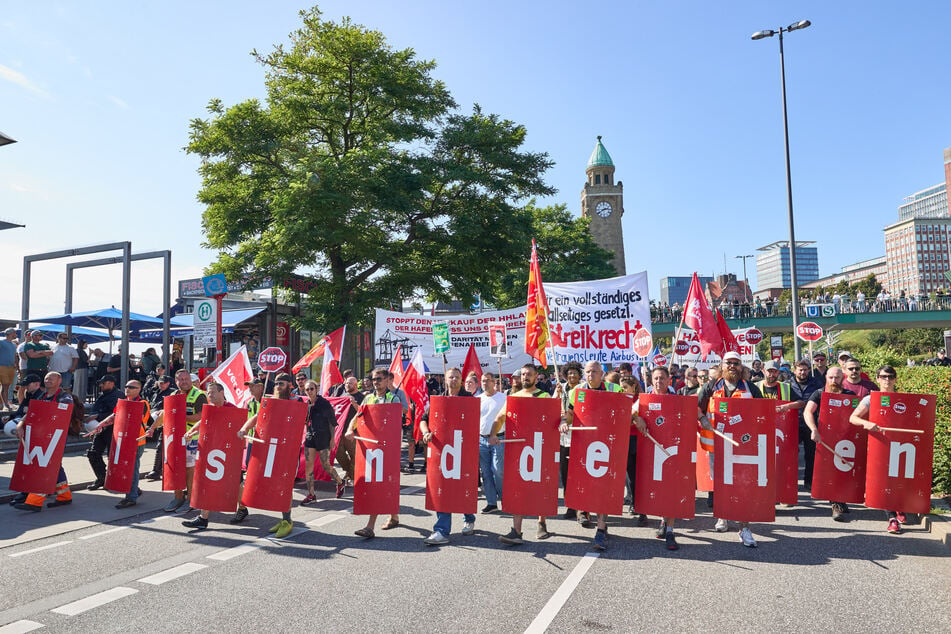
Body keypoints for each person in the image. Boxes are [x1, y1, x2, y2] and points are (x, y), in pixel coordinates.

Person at [696, 351, 763, 547]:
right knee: (720, 483)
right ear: (722, 365)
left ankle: (744, 527)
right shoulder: (710, 386)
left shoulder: (751, 388)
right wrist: (702, 419)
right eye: (729, 363)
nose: (732, 366)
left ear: (741, 367)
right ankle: (722, 516)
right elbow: (697, 407)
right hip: (717, 443)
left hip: (743, 445)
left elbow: (762, 412)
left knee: (743, 486)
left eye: (736, 363)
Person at [561, 360, 622, 551]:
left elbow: (625, 410)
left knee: (603, 484)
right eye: (587, 372)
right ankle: (585, 513)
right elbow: (570, 414)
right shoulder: (576, 391)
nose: (590, 375)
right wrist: (564, 421)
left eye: (594, 372)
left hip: (607, 443)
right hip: (585, 443)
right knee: (587, 483)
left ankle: (601, 528)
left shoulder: (614, 388)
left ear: (602, 373)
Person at [491, 365, 555, 545]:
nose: (525, 377)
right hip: (518, 449)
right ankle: (516, 531)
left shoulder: (544, 396)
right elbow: (500, 418)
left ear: (536, 377)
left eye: (529, 374)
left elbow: (554, 419)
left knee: (540, 485)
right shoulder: (514, 397)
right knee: (517, 488)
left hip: (540, 447)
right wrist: (494, 433)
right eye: (523, 374)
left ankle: (542, 522)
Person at [237, 373, 300, 539]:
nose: (278, 386)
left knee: (284, 485)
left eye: (282, 383)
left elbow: (304, 421)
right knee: (269, 481)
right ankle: (284, 518)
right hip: (270, 448)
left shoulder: (297, 402)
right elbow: (257, 418)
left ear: (290, 385)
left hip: (287, 449)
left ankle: (287, 520)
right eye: (276, 383)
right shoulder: (270, 401)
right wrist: (244, 429)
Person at [848, 365, 907, 534]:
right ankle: (892, 518)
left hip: (901, 446)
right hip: (879, 446)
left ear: (895, 379)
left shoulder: (903, 399)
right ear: (878, 379)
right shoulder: (870, 399)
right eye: (883, 376)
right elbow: (853, 418)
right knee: (884, 481)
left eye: (890, 376)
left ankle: (899, 507)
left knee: (898, 478)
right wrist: (867, 424)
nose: (887, 380)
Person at [420, 367, 474, 546]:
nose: (454, 380)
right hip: (443, 450)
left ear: (461, 380)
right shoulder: (437, 399)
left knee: (462, 484)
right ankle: (441, 530)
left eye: (457, 377)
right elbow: (423, 419)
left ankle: (469, 517)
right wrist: (426, 432)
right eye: (451, 377)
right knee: (443, 487)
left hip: (463, 449)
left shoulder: (470, 400)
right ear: (445, 379)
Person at [12, 372, 77, 511]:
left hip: (55, 437)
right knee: (54, 465)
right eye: (46, 378)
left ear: (59, 381)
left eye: (51, 378)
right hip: (41, 436)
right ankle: (64, 496)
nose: (47, 380)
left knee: (44, 465)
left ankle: (34, 501)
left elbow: (62, 415)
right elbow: (31, 412)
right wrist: (21, 424)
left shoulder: (65, 397)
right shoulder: (42, 396)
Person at [349, 369, 399, 538]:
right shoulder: (368, 398)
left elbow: (399, 419)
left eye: (379, 379)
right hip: (373, 448)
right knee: (379, 483)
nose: (375, 382)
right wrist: (350, 429)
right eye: (373, 379)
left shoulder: (393, 398)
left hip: (388, 448)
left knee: (385, 483)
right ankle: (387, 519)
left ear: (387, 380)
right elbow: (358, 415)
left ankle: (373, 525)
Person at [802, 366, 856, 522]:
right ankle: (836, 504)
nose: (834, 381)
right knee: (830, 472)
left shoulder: (850, 395)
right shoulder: (819, 394)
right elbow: (807, 412)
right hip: (824, 439)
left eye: (837, 377)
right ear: (826, 377)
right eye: (831, 377)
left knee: (843, 470)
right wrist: (814, 429)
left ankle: (841, 499)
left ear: (842, 378)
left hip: (846, 440)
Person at [182, 382, 237, 530]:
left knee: (235, 484)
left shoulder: (232, 409)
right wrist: (192, 431)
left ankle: (243, 508)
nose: (210, 395)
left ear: (221, 392)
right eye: (208, 392)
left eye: (212, 392)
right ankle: (203, 518)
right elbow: (202, 420)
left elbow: (238, 427)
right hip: (210, 451)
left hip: (227, 453)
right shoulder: (210, 408)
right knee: (206, 481)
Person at [164, 369, 207, 513]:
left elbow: (202, 416)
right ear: (176, 382)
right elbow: (166, 413)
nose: (184, 382)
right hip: (174, 438)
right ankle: (178, 497)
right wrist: (152, 427)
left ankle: (189, 499)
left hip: (192, 438)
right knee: (175, 467)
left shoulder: (199, 395)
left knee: (190, 470)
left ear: (191, 379)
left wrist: (180, 418)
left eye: (186, 379)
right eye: (180, 379)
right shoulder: (173, 395)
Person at [301, 379, 345, 504]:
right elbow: (305, 422)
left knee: (326, 465)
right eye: (307, 389)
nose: (309, 391)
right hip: (310, 437)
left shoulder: (324, 403)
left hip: (323, 437)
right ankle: (311, 494)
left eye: (311, 389)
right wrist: (305, 435)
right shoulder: (307, 404)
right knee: (308, 466)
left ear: (316, 389)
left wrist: (332, 439)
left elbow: (332, 423)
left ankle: (340, 482)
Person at [108, 380, 151, 509]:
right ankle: (135, 490)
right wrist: (101, 424)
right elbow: (115, 416)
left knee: (132, 469)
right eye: (126, 386)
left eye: (132, 387)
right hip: (126, 439)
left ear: (139, 389)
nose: (128, 389)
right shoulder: (124, 402)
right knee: (129, 468)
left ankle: (131, 497)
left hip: (136, 441)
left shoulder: (142, 403)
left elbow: (132, 419)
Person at [557, 361, 584, 522]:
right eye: (569, 373)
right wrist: (557, 393)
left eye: (575, 373)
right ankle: (570, 505)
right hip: (563, 436)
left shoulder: (582, 390)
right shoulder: (561, 388)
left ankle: (582, 507)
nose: (572, 375)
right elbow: (553, 405)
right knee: (565, 473)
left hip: (579, 435)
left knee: (579, 472)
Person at [85, 374, 122, 490]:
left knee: (115, 457)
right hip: (100, 430)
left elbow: (117, 413)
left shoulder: (118, 395)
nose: (101, 385)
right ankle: (101, 478)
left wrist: (98, 416)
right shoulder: (102, 396)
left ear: (111, 383)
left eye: (103, 383)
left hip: (112, 430)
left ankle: (122, 482)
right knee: (93, 453)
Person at [620, 376, 648, 526]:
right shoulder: (621, 399)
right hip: (623, 439)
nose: (622, 390)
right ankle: (633, 501)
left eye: (625, 387)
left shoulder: (641, 401)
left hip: (637, 440)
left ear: (633, 387)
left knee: (636, 475)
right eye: (621, 387)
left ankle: (640, 507)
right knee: (628, 475)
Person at [477, 372, 506, 514]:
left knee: (498, 470)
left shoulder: (503, 398)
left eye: (488, 380)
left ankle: (504, 498)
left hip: (498, 438)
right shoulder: (477, 399)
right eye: (482, 381)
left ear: (494, 382)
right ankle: (491, 503)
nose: (485, 383)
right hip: (481, 439)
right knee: (486, 473)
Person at [145, 374, 176, 480]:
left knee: (162, 446)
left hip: (166, 421)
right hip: (155, 420)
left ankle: (159, 470)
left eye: (164, 383)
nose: (161, 385)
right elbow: (148, 398)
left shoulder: (172, 392)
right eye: (160, 383)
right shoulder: (156, 392)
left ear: (168, 383)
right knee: (160, 446)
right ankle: (156, 471)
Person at [0, 328, 17, 410]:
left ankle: (4, 404)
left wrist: (16, 366)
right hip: (2, 366)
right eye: (15, 333)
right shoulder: (1, 342)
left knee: (6, 386)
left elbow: (14, 356)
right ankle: (5, 404)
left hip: (11, 367)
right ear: (11, 333)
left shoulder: (14, 344)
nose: (16, 334)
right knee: (5, 386)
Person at [74, 339, 90, 405]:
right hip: (82, 369)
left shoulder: (77, 351)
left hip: (78, 369)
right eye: (86, 344)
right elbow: (87, 361)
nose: (87, 345)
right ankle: (80, 399)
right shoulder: (81, 352)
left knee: (78, 384)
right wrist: (91, 353)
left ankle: (77, 398)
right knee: (82, 384)